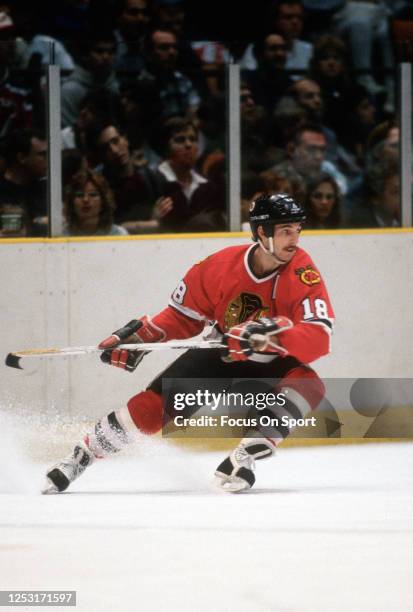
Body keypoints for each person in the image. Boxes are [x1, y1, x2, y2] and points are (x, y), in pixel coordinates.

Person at [42, 193, 335, 495]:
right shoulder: (219, 266)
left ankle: (243, 457)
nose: (295, 239)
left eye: (297, 229)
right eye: (286, 230)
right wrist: (145, 335)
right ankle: (82, 456)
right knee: (152, 409)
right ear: (262, 232)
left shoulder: (304, 274)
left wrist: (273, 338)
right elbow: (183, 317)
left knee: (309, 385)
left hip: (273, 359)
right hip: (223, 354)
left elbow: (319, 337)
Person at [63, 169, 129, 236]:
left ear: (104, 201)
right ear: (71, 202)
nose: (85, 200)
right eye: (80, 195)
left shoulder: (118, 234)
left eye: (93, 194)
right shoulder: (62, 235)